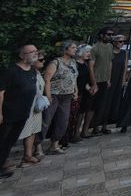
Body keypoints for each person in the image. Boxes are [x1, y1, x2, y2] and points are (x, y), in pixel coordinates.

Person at [0, 45, 39, 178]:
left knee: (10, 141)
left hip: (22, 113)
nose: (35, 54)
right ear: (22, 55)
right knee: (2, 139)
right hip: (8, 113)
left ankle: (1, 166)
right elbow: (1, 92)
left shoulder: (32, 70)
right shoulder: (11, 71)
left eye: (36, 51)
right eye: (31, 52)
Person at [41, 40, 77, 155]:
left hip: (67, 95)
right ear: (65, 49)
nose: (75, 50)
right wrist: (48, 95)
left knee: (63, 121)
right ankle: (37, 147)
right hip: (54, 95)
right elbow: (47, 79)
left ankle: (54, 145)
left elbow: (73, 77)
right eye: (73, 48)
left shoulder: (73, 62)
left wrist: (75, 90)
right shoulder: (55, 62)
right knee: (46, 120)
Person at [18, 53, 46, 167]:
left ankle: (28, 155)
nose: (43, 62)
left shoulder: (37, 72)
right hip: (27, 106)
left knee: (33, 130)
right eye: (41, 59)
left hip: (36, 106)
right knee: (27, 130)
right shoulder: (25, 73)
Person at [86, 27, 114, 137]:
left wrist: (109, 79)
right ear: (102, 35)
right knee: (91, 106)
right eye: (108, 34)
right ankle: (88, 128)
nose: (110, 36)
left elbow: (110, 63)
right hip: (96, 80)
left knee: (101, 105)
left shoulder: (110, 46)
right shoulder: (95, 48)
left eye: (111, 34)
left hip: (105, 80)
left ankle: (97, 127)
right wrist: (94, 83)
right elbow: (91, 67)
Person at [101, 35, 127, 132]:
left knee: (115, 102)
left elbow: (124, 67)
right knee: (106, 102)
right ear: (114, 42)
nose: (122, 43)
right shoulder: (109, 53)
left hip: (118, 80)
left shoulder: (124, 53)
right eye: (120, 41)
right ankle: (100, 125)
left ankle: (109, 124)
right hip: (109, 79)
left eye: (123, 41)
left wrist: (124, 80)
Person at [70, 45, 94, 143]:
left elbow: (85, 81)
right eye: (87, 52)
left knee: (81, 113)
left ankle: (77, 133)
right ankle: (71, 135)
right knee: (73, 114)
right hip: (75, 92)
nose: (89, 54)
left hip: (83, 92)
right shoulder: (74, 64)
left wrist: (89, 88)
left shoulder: (85, 64)